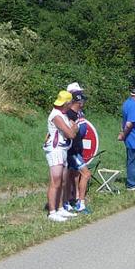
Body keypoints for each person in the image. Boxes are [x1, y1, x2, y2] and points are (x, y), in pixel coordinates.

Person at [45, 90, 79, 221]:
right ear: (67, 103)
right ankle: (52, 212)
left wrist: (73, 129)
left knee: (63, 181)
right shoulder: (56, 115)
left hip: (63, 149)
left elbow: (71, 129)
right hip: (55, 150)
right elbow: (71, 133)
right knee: (56, 181)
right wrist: (74, 129)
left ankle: (60, 208)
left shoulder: (62, 114)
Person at [63, 91, 92, 215]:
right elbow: (70, 132)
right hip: (72, 151)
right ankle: (81, 202)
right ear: (79, 102)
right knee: (86, 174)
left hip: (77, 149)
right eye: (83, 101)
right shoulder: (69, 115)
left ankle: (68, 201)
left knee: (71, 175)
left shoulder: (78, 113)